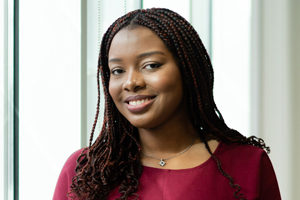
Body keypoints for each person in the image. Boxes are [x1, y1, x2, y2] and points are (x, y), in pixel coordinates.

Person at [53, 8, 281, 200]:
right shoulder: (84, 171)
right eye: (118, 71)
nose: (131, 82)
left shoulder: (248, 165)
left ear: (188, 70)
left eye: (150, 65)